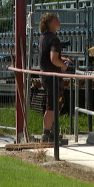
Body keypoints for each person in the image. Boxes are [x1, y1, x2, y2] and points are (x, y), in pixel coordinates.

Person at [38, 12, 71, 143]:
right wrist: (63, 66)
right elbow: (53, 59)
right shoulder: (54, 39)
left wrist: (63, 59)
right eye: (56, 19)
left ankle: (50, 131)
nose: (59, 21)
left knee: (55, 103)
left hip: (45, 75)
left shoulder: (43, 37)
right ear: (50, 22)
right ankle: (46, 134)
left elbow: (48, 56)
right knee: (52, 105)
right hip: (52, 76)